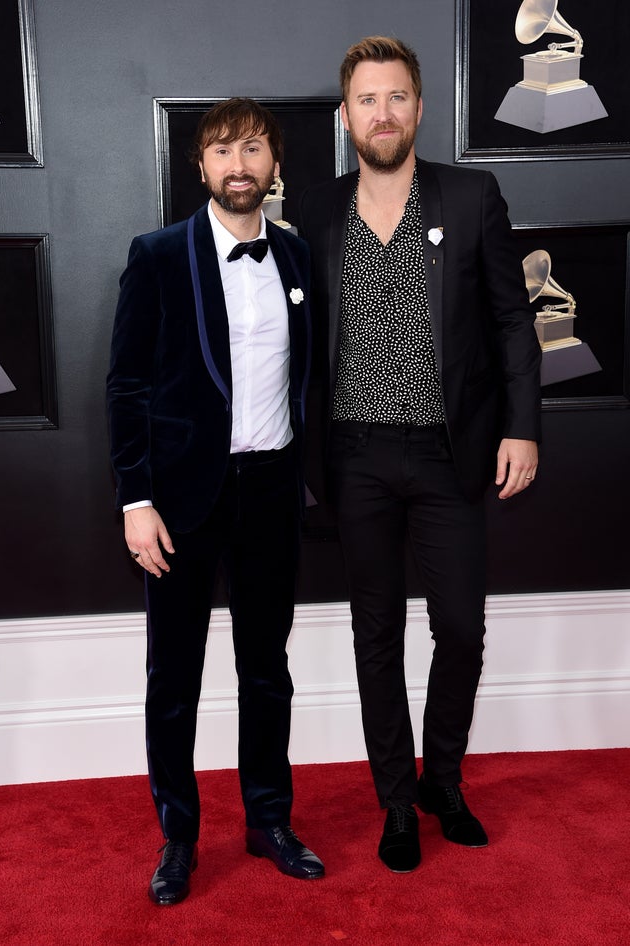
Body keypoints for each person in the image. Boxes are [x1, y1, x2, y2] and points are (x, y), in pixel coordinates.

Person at [299, 37, 541, 873]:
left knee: (462, 631)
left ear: (420, 108)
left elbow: (514, 319)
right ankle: (396, 802)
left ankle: (444, 778)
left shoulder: (473, 196)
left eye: (398, 97)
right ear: (346, 117)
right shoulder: (319, 214)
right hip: (354, 457)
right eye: (368, 100)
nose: (384, 113)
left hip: (449, 455)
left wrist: (523, 427)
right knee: (377, 635)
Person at [107, 97, 324, 905]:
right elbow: (126, 383)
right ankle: (179, 835)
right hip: (181, 500)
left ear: (274, 165)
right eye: (224, 151)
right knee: (176, 677)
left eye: (254, 150)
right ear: (200, 167)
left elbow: (313, 379)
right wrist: (136, 498)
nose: (240, 166)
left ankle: (269, 820)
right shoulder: (158, 253)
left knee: (267, 669)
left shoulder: (299, 261)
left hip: (271, 491)